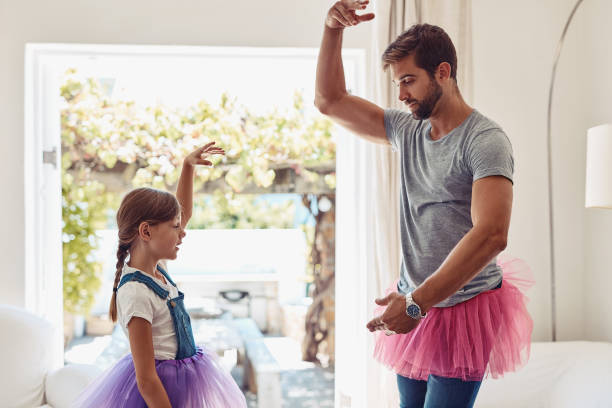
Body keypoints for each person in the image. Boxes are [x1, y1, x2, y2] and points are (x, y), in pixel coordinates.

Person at [315, 1, 533, 407]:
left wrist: (416, 303)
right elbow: (330, 101)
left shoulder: (485, 141)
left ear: (443, 72)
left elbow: (491, 236)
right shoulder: (407, 130)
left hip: (462, 308)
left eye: (409, 81)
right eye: (398, 83)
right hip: (414, 304)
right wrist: (332, 29)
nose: (401, 95)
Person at [73, 142, 247, 408]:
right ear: (146, 232)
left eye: (180, 225)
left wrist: (187, 167)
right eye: (176, 227)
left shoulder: (157, 271)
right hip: (160, 394)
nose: (183, 232)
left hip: (185, 380)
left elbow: (182, 213)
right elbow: (146, 380)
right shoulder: (136, 292)